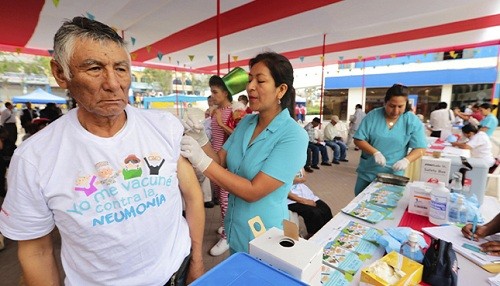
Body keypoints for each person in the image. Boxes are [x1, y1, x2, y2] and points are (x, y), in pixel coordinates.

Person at [0, 17, 205, 285]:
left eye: (121, 68)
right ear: (61, 74)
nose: (113, 83)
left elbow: (192, 197)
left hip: (178, 273)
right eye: (95, 68)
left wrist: (198, 261)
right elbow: (37, 250)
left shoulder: (164, 127)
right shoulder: (33, 158)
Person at [181, 52, 309, 254]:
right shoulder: (247, 123)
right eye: (250, 79)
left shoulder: (293, 136)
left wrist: (202, 162)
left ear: (281, 89)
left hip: (266, 234)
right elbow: (220, 160)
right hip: (235, 227)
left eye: (260, 81)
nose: (250, 87)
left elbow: (252, 191)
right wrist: (201, 140)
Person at [353, 84, 427, 196]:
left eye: (400, 106)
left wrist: (406, 160)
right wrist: (375, 152)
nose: (396, 111)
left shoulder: (411, 120)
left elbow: (420, 148)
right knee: (360, 203)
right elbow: (358, 139)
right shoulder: (373, 116)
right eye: (392, 106)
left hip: (394, 174)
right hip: (369, 170)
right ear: (385, 102)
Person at [287, 169, 333, 239]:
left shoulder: (297, 160)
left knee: (325, 209)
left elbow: (304, 178)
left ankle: (329, 234)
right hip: (290, 199)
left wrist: (293, 180)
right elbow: (281, 184)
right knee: (314, 214)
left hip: (304, 193)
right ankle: (314, 238)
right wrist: (303, 201)